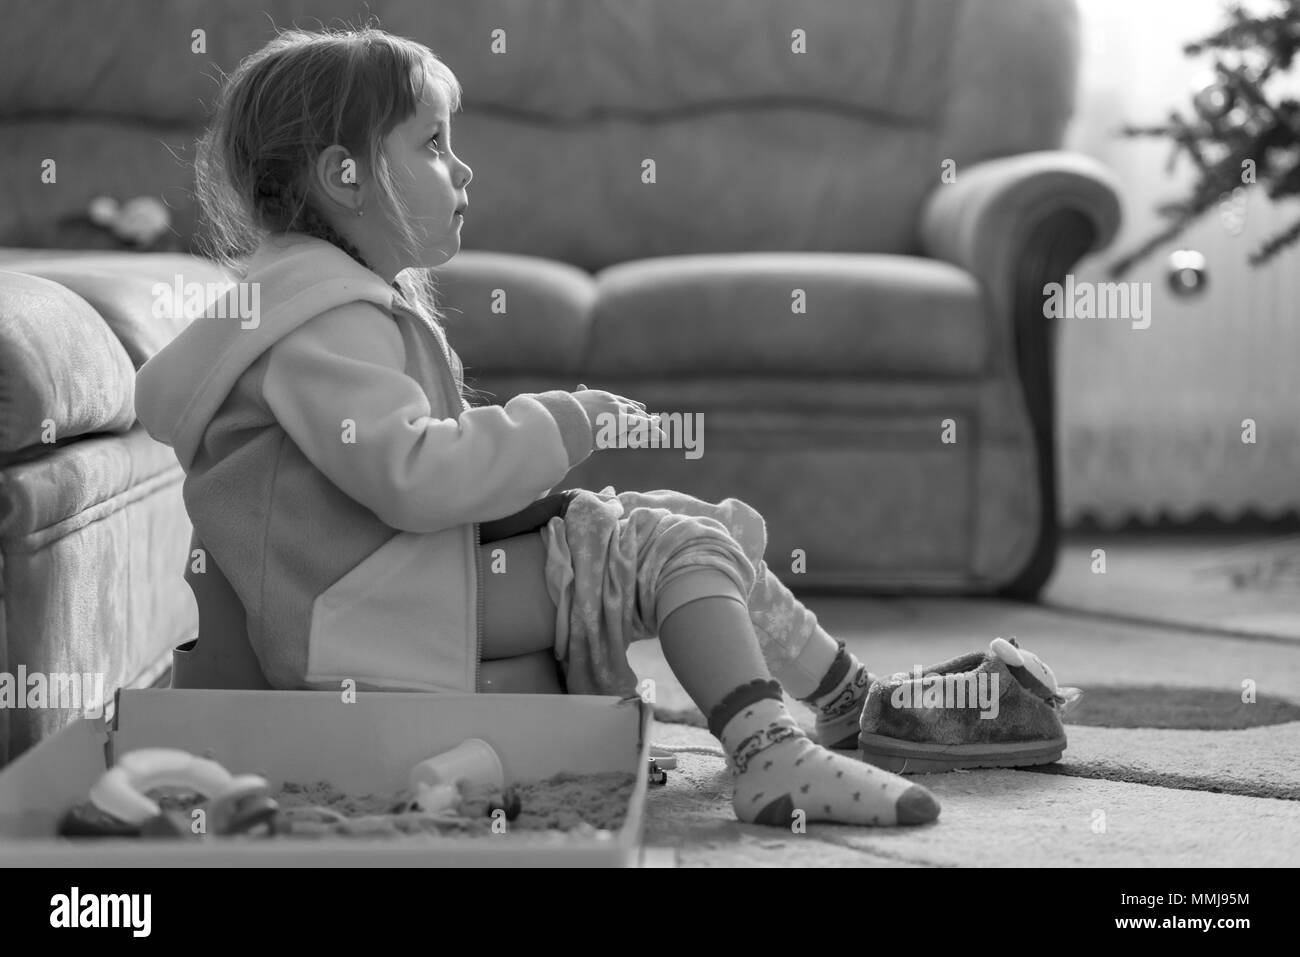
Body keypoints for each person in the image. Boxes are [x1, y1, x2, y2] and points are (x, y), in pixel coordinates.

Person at [135, 26, 941, 828]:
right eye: (433, 144)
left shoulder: (314, 304)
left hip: (393, 592)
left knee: (666, 523)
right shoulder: (321, 318)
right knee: (659, 547)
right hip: (375, 615)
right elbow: (412, 475)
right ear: (344, 177)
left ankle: (844, 694)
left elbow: (401, 467)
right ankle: (771, 755)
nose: (463, 167)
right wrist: (557, 422)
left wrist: (537, 462)